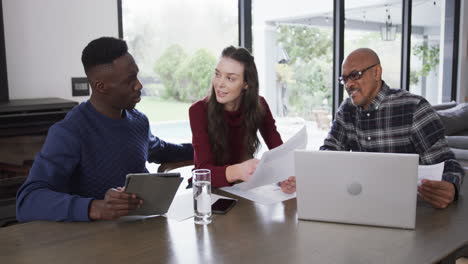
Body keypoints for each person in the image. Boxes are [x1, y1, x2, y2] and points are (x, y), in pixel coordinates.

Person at [16, 37, 193, 222]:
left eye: (137, 75)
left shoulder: (139, 121)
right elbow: (27, 200)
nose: (139, 85)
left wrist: (212, 147)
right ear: (101, 86)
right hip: (93, 241)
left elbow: (164, 151)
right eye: (129, 80)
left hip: (144, 227)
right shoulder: (69, 132)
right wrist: (94, 207)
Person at [320, 48, 465, 209]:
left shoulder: (414, 108)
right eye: (344, 79)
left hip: (409, 210)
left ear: (377, 72)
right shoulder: (347, 110)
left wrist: (450, 185)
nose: (348, 84)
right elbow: (329, 151)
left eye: (355, 75)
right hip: (361, 205)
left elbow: (447, 162)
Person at [189, 46, 295, 194]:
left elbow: (278, 152)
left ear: (246, 84)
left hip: (246, 190)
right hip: (209, 193)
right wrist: (238, 171)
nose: (219, 84)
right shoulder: (198, 111)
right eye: (217, 74)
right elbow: (203, 173)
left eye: (230, 78)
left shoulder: (260, 105)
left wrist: (284, 177)